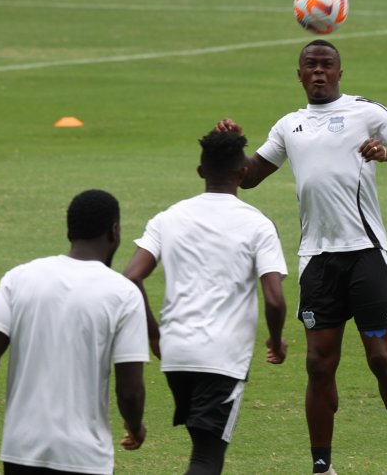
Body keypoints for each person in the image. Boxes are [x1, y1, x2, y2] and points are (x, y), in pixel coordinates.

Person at [215, 39, 387, 475]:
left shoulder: (365, 112)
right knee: (318, 364)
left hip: (365, 255)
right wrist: (231, 146)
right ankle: (322, 467)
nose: (318, 72)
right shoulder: (288, 126)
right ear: (298, 74)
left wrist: (386, 152)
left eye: (326, 65)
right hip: (318, 259)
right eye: (310, 66)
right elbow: (249, 178)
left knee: (379, 357)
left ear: (340, 72)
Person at [122, 129, 289, 475]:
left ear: (200, 171)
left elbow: (131, 277)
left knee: (202, 450)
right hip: (221, 358)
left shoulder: (167, 218)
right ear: (243, 173)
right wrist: (275, 339)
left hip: (176, 355)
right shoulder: (257, 224)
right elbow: (274, 298)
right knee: (206, 459)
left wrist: (154, 336)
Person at [0, 189, 148, 475]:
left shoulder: (19, 278)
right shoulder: (124, 294)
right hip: (85, 457)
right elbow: (129, 390)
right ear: (114, 231)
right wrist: (135, 425)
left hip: (20, 452)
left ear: (70, 232)